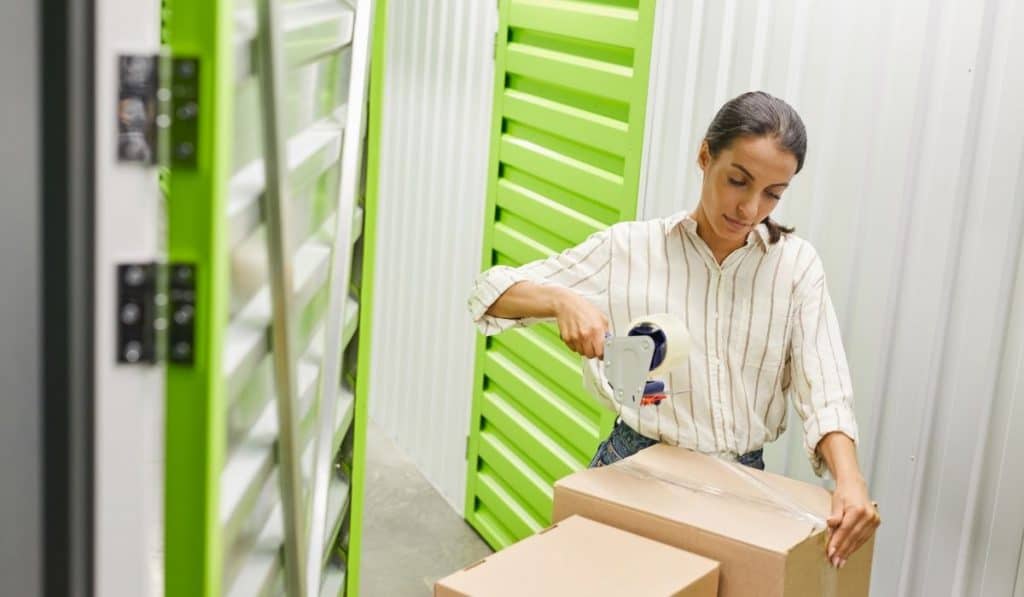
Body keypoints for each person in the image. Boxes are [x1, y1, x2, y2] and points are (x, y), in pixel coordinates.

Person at [467, 91, 879, 568]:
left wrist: (850, 482)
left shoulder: (796, 268)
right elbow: (488, 293)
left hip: (742, 487)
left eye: (772, 194)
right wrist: (562, 300)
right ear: (705, 156)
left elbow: (823, 387)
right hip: (636, 468)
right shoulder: (630, 250)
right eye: (738, 181)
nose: (749, 208)